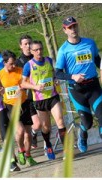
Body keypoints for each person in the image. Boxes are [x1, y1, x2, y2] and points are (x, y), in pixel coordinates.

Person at [55, 16, 102, 153]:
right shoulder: (63, 50)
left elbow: (97, 60)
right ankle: (82, 133)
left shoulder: (90, 43)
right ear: (65, 30)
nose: (73, 29)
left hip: (93, 86)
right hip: (77, 90)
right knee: (87, 122)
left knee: (101, 115)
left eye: (74, 26)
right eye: (70, 27)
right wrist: (73, 77)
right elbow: (57, 73)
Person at [21, 40, 66, 160]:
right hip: (40, 100)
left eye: (40, 49)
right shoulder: (28, 65)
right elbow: (23, 83)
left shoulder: (49, 60)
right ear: (31, 51)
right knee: (46, 127)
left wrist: (55, 79)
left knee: (60, 121)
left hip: (52, 96)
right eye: (36, 50)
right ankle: (49, 145)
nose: (39, 51)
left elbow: (54, 74)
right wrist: (35, 87)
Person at [0, 50, 37, 166]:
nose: (14, 65)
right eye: (11, 64)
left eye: (14, 63)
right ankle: (21, 150)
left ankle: (28, 155)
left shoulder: (20, 71)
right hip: (11, 106)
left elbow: (27, 82)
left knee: (28, 133)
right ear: (4, 62)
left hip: (24, 103)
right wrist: (0, 91)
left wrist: (24, 87)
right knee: (20, 131)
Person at [16, 35, 41, 149]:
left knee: (42, 124)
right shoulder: (18, 62)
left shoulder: (38, 57)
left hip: (41, 95)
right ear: (21, 46)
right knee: (35, 125)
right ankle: (27, 148)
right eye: (25, 44)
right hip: (28, 98)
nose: (28, 46)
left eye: (29, 43)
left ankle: (35, 135)